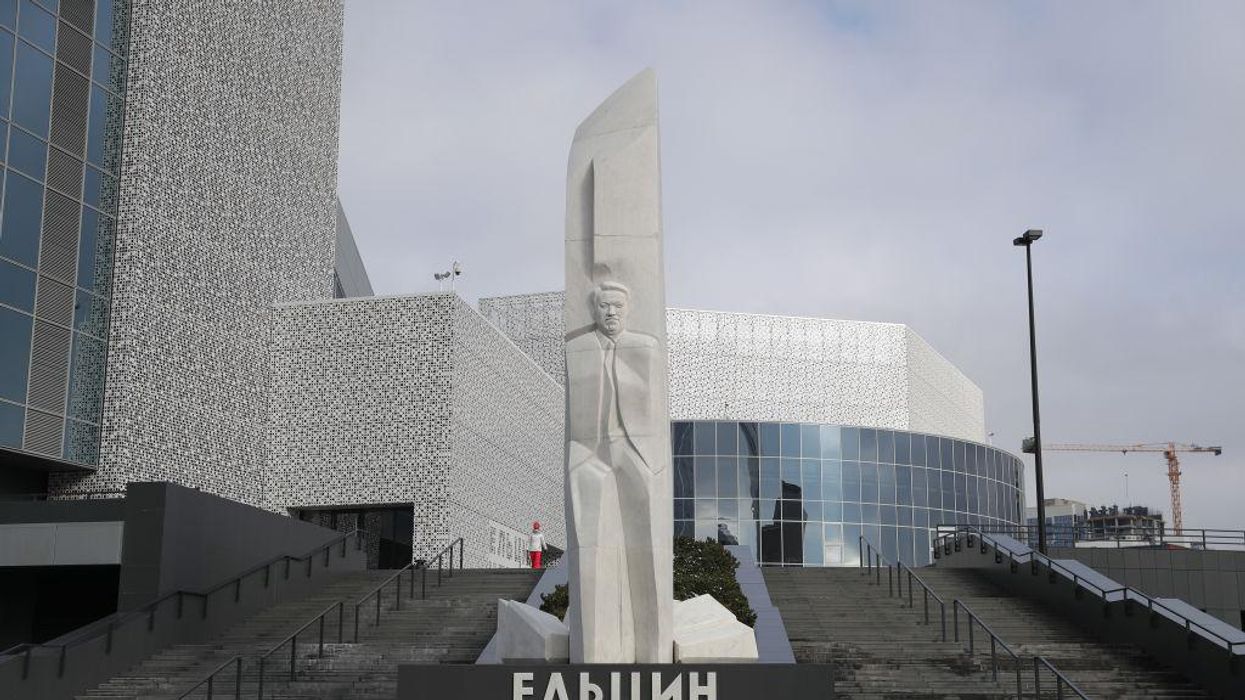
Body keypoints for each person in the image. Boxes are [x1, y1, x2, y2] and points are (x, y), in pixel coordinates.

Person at [564, 280, 673, 663]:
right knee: (589, 545)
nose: (611, 312)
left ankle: (654, 651)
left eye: (617, 306)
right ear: (594, 310)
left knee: (648, 545)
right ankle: (595, 652)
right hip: (590, 451)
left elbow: (656, 408)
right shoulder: (577, 348)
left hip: (637, 449)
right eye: (604, 306)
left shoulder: (645, 347)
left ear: (627, 309)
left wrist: (654, 459)